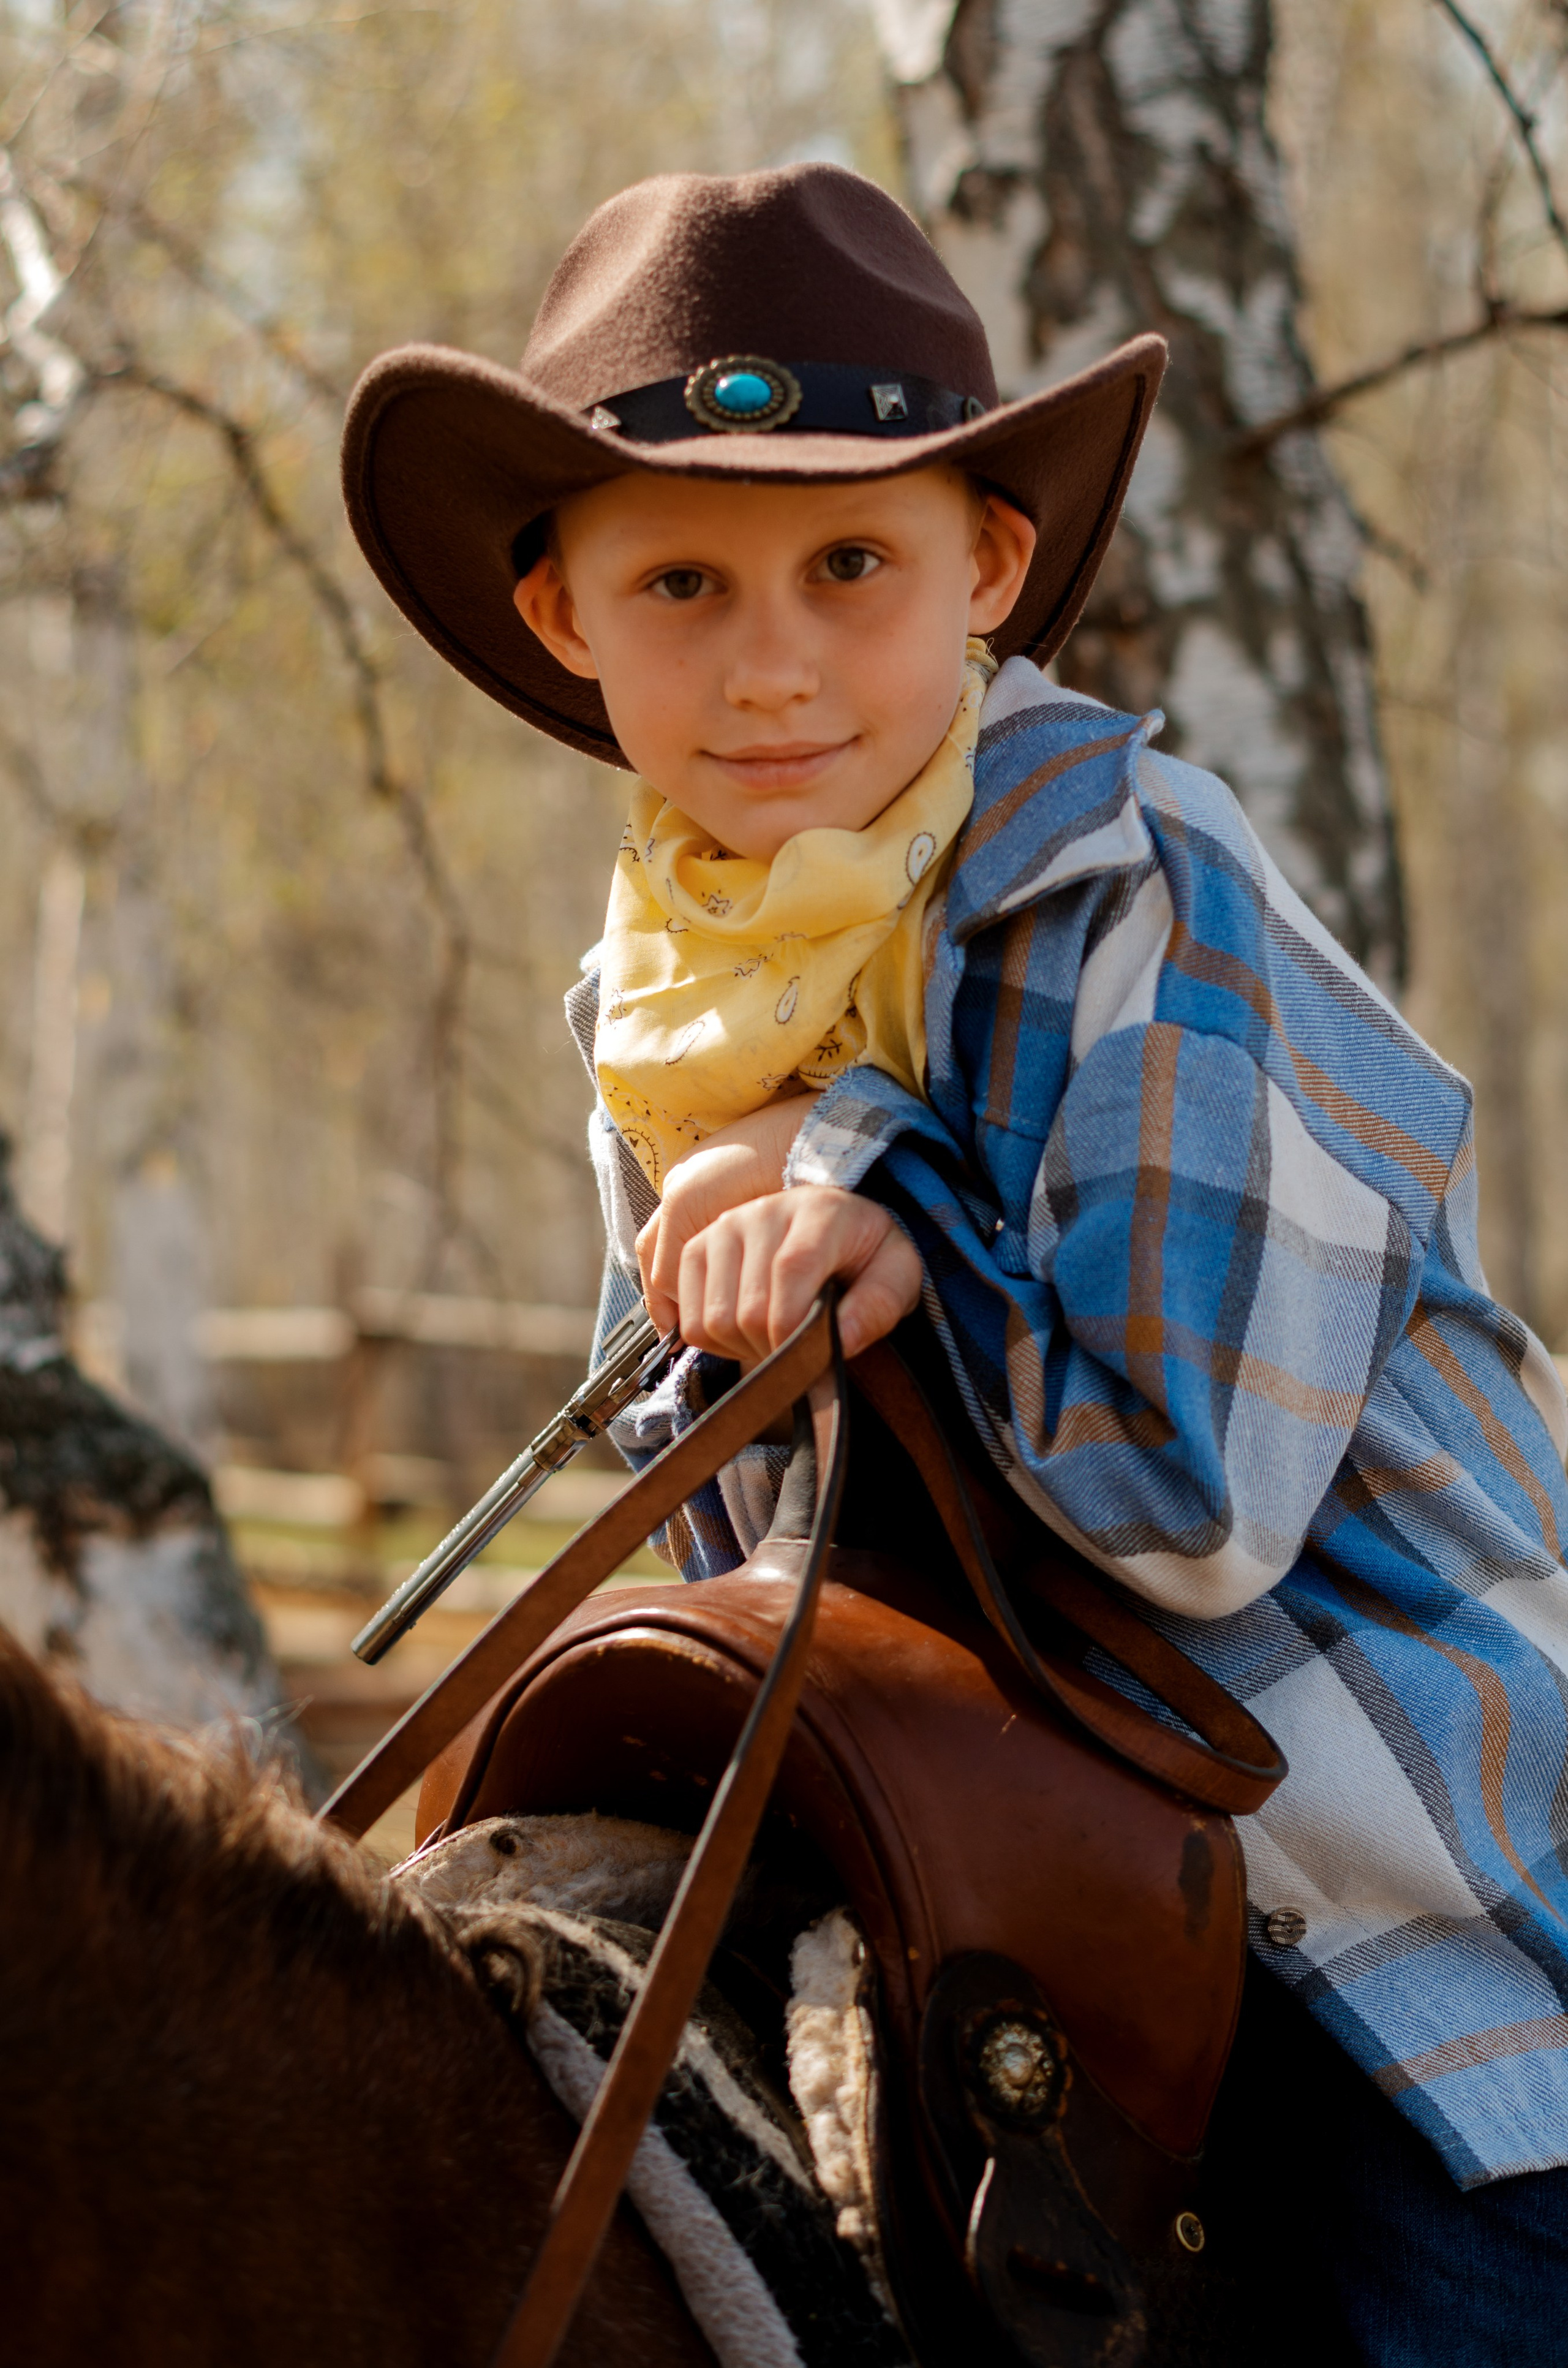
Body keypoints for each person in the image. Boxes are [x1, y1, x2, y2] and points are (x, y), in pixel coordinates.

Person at [342, 163, 1568, 2362]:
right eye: (682, 582)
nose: (775, 657)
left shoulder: (1136, 890)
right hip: (1027, 1883)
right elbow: (756, 1540)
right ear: (562, 617)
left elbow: (1187, 1508)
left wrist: (878, 1191)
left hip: (1407, 1909)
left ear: (987, 566)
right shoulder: (652, 1007)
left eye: (850, 563)